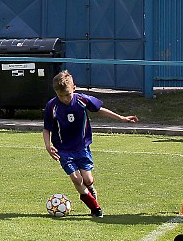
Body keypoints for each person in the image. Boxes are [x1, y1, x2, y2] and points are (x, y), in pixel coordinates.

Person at [42, 70, 137, 217]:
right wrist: (48, 146)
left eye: (67, 95)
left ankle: (90, 187)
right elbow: (46, 129)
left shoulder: (82, 100)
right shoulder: (52, 106)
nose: (65, 99)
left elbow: (100, 110)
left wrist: (121, 118)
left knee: (87, 179)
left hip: (81, 147)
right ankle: (95, 208)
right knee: (76, 179)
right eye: (61, 96)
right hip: (63, 150)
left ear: (74, 88)